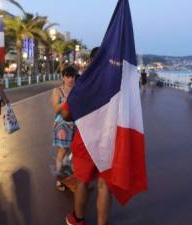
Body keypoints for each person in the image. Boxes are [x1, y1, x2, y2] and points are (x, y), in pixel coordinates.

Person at [61, 47, 112, 225]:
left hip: (85, 141)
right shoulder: (117, 84)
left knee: (82, 181)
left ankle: (77, 219)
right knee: (105, 185)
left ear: (91, 62)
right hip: (109, 142)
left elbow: (66, 115)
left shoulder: (82, 85)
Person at [51, 66, 77, 191]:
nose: (70, 79)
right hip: (62, 126)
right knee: (62, 151)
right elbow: (56, 109)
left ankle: (72, 176)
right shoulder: (57, 91)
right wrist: (67, 100)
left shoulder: (77, 90)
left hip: (76, 124)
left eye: (72, 76)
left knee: (76, 151)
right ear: (63, 77)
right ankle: (59, 179)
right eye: (68, 76)